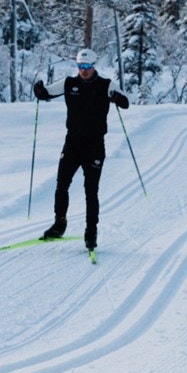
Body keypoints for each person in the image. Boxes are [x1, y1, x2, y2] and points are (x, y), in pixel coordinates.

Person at [34, 48, 129, 252]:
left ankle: (91, 232)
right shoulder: (69, 83)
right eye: (80, 67)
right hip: (72, 144)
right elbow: (46, 94)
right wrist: (39, 91)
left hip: (94, 146)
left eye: (87, 67)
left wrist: (117, 98)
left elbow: (125, 102)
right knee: (61, 185)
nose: (83, 70)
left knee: (90, 191)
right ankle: (59, 225)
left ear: (94, 65)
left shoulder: (106, 84)